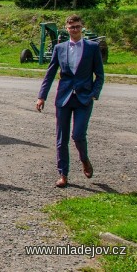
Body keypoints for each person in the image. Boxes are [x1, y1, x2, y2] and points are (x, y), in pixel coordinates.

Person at [36, 14, 104, 188]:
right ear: (66, 29)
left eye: (78, 27)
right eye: (72, 27)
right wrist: (41, 96)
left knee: (78, 135)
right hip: (64, 98)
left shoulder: (92, 47)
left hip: (84, 98)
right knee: (61, 138)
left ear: (82, 28)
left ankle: (84, 159)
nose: (75, 30)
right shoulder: (60, 48)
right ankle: (63, 174)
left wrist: (94, 93)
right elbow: (50, 73)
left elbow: (100, 75)